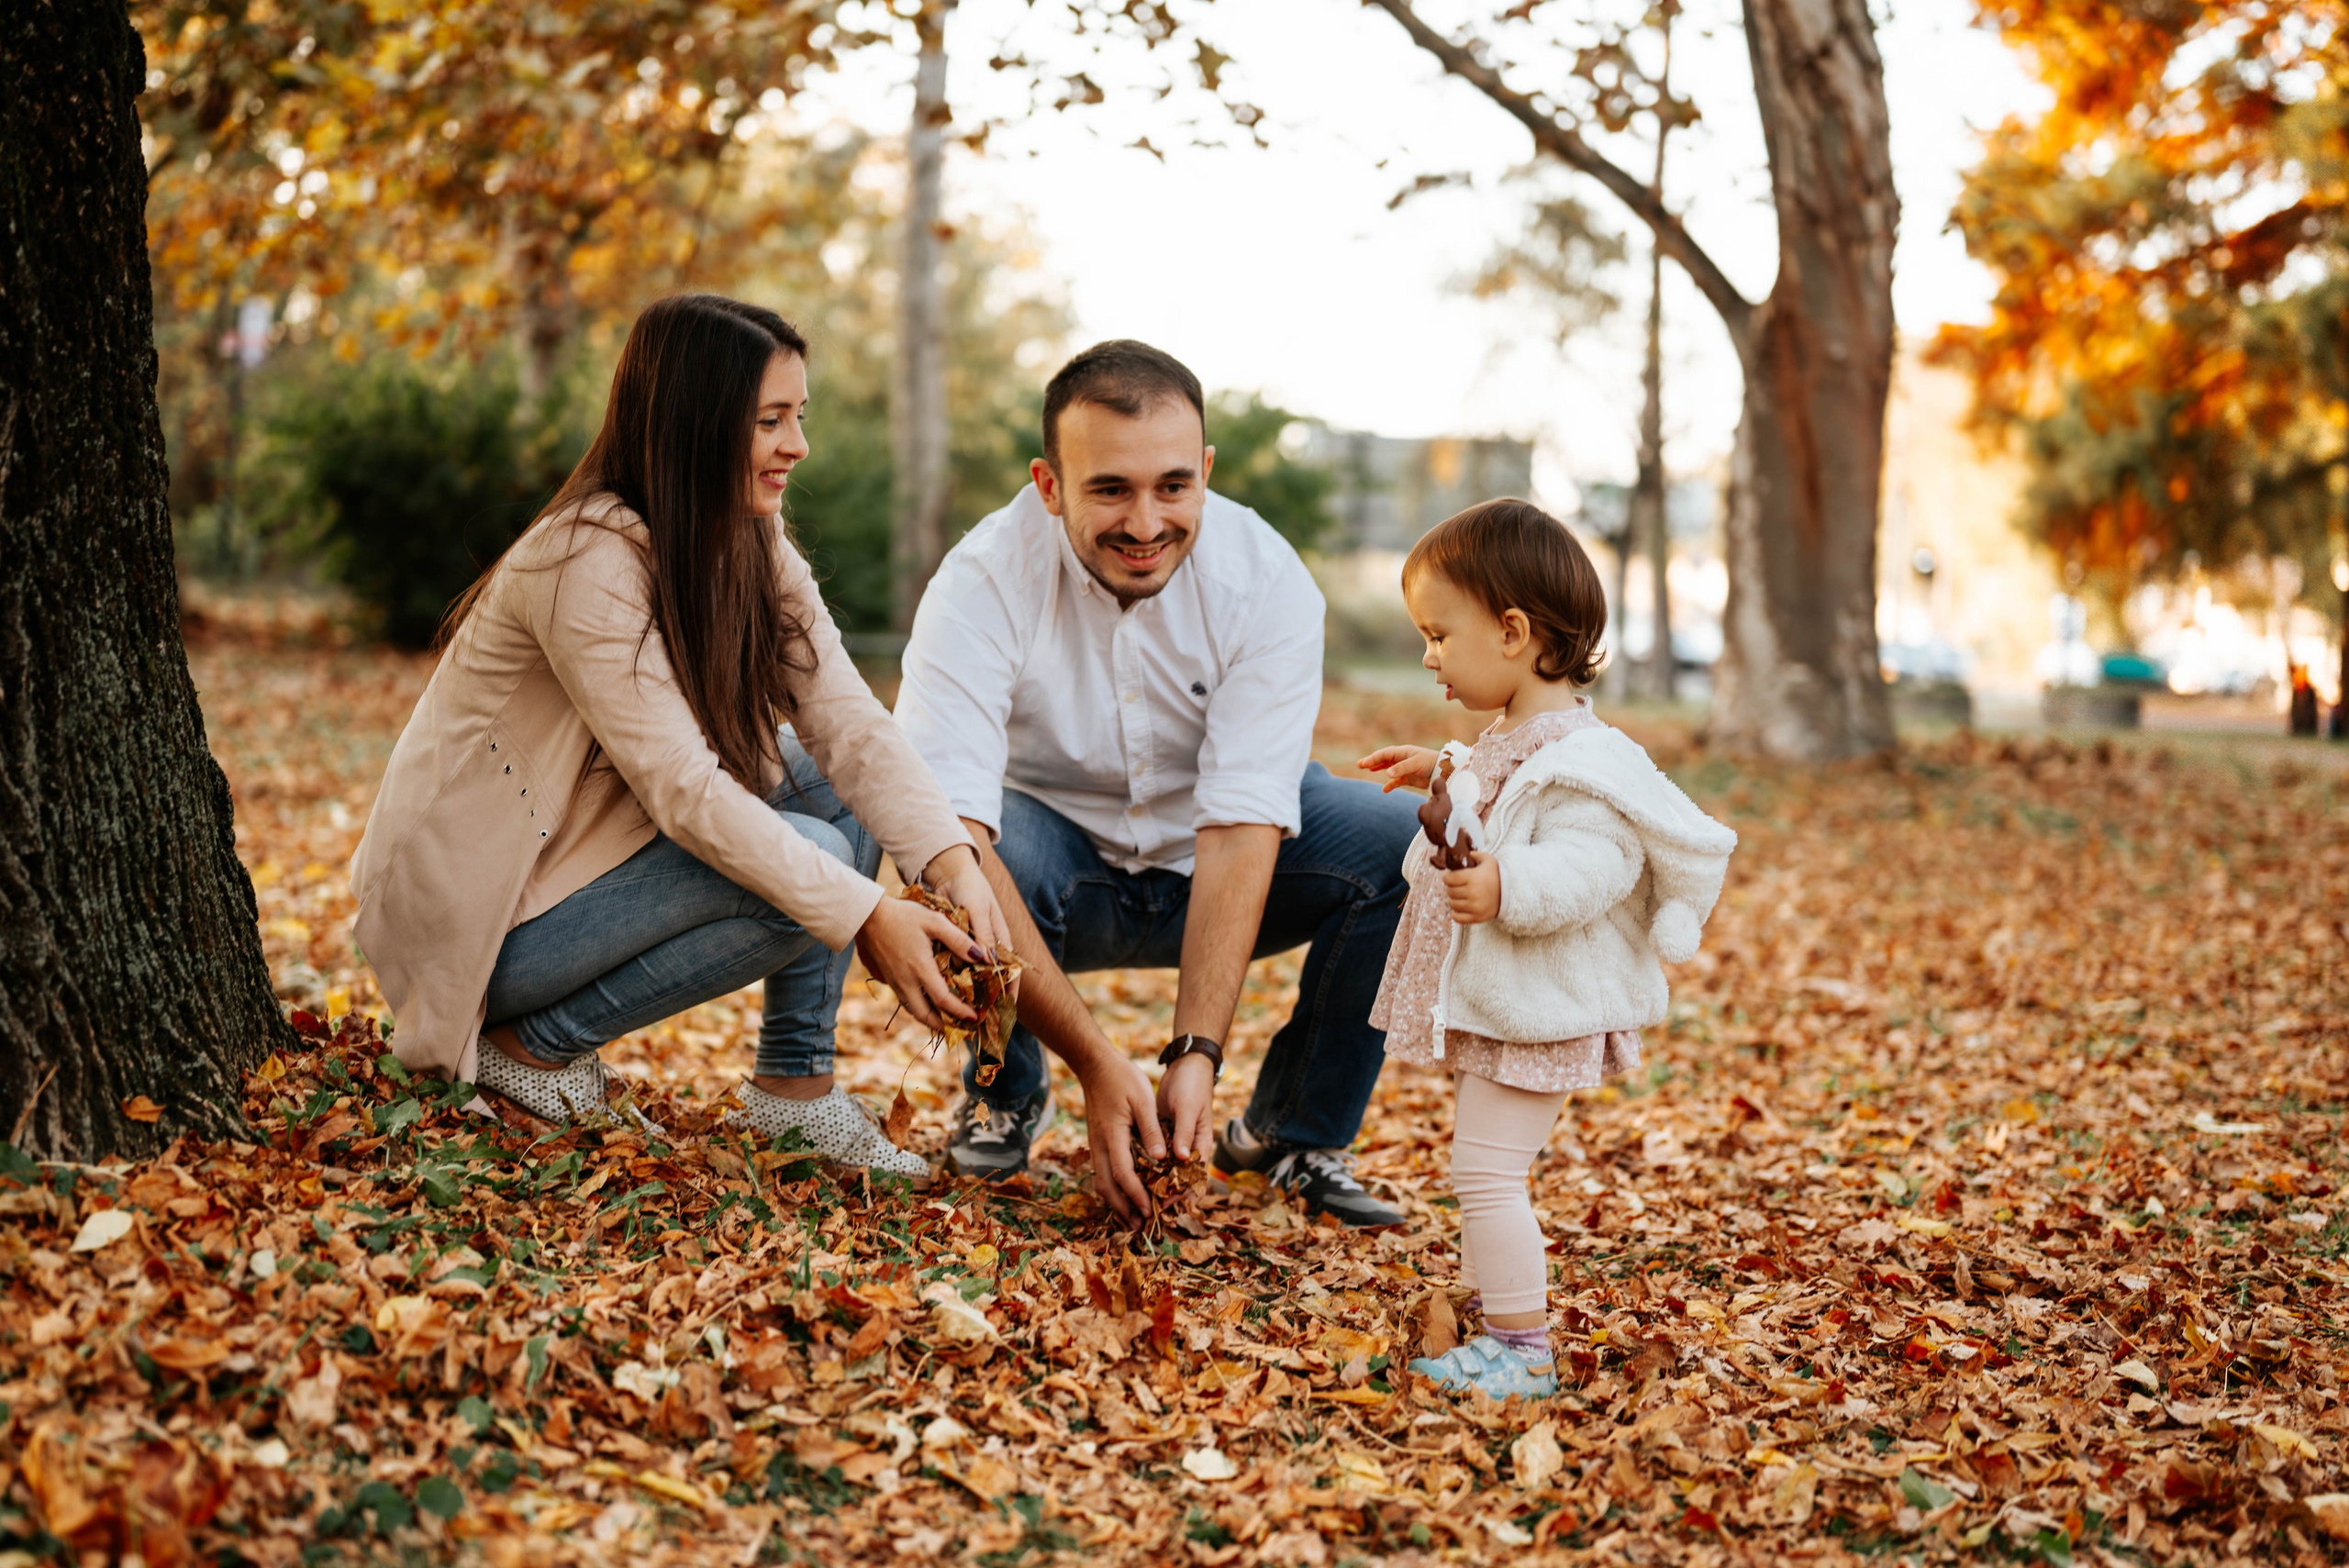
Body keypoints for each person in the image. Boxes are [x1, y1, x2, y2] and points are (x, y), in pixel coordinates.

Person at [350, 295, 1019, 1178]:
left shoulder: (746, 538)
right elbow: (684, 789)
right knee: (808, 860)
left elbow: (849, 720)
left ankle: (795, 1097)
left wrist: (952, 864)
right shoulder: (582, 555)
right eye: (770, 421)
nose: (797, 445)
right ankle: (534, 1046)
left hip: (579, 877)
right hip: (479, 923)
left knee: (827, 783)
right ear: (695, 424)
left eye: (799, 417)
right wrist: (866, 915)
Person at [893, 340, 1422, 1227]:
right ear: (1049, 485)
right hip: (1050, 874)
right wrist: (1100, 1061)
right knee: (960, 856)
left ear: (1206, 471)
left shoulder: (1265, 579)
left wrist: (1197, 1050)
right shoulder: (979, 581)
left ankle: (1291, 1133)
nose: (1146, 522)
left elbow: (1246, 817)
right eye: (1110, 489)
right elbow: (951, 839)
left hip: (1213, 866)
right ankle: (1004, 1090)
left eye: (1173, 486)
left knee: (1398, 842)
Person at [1357, 499, 1735, 1399]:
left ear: (1515, 631)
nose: (1428, 654)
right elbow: (1502, 789)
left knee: (1486, 1172)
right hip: (1516, 999)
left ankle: (1522, 1349)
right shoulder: (1524, 738)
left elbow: (1590, 862)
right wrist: (1443, 767)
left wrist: (1506, 888)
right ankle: (1500, 1330)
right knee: (1481, 1167)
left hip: (1544, 1006)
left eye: (1440, 633)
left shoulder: (1589, 764)